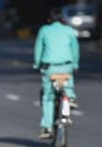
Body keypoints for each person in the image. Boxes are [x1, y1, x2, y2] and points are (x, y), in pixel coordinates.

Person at [33, 7, 80, 139]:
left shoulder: (44, 30)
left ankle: (47, 127)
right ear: (62, 19)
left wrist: (37, 65)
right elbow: (75, 49)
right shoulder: (69, 30)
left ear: (49, 19)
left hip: (50, 68)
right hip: (67, 66)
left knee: (48, 97)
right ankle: (70, 97)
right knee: (67, 78)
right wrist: (75, 64)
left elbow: (38, 50)